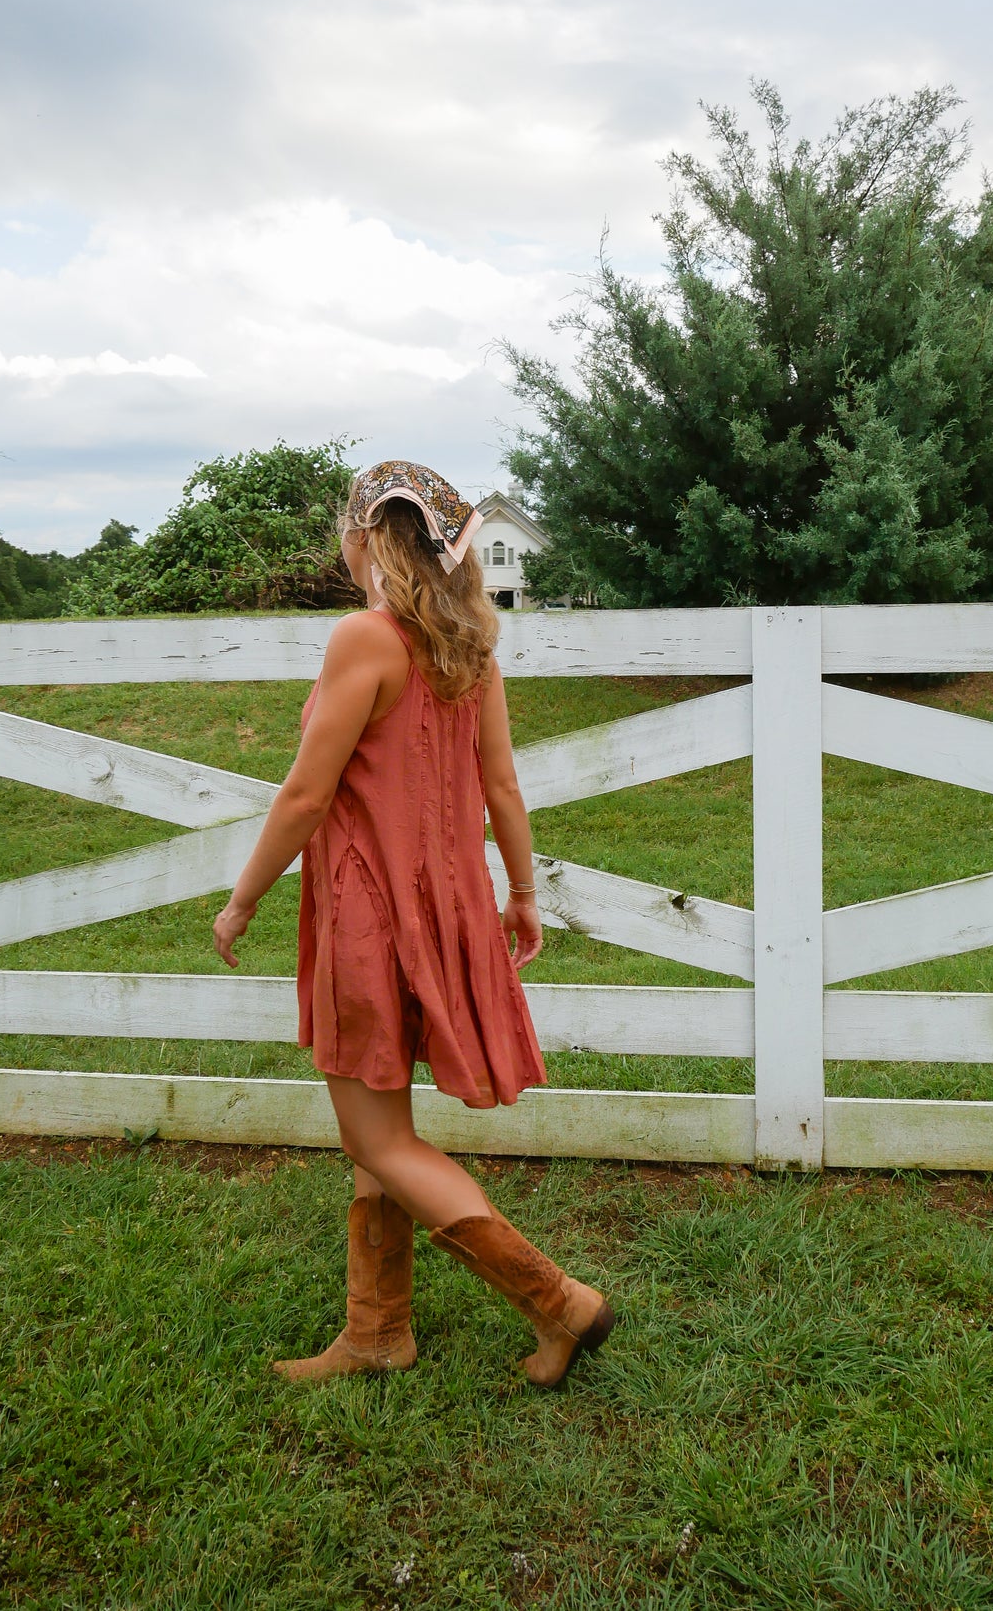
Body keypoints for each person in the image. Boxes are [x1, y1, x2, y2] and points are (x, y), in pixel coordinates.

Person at [212, 459, 615, 1389]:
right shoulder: (468, 646)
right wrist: (519, 893)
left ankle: (559, 1302)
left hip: (370, 911)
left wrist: (243, 899)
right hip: (451, 901)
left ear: (364, 539)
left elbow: (308, 792)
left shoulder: (366, 637)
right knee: (381, 1117)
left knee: (377, 1138)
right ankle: (377, 1331)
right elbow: (503, 786)